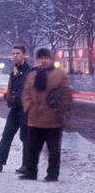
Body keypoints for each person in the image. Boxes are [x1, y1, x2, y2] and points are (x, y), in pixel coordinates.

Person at [20, 48, 73, 182]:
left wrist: (60, 109)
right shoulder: (32, 74)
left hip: (53, 119)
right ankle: (31, 173)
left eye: (46, 58)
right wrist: (28, 107)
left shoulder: (59, 74)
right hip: (34, 118)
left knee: (53, 150)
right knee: (32, 149)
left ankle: (52, 175)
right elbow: (26, 93)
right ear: (37, 60)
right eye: (40, 58)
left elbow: (67, 94)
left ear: (50, 59)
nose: (43, 61)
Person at [0, 44, 31, 174]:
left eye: (18, 53)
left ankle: (26, 165)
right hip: (14, 108)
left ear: (24, 55)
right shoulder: (14, 69)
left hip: (25, 109)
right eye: (13, 53)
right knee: (6, 135)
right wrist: (8, 96)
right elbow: (13, 87)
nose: (15, 56)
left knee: (25, 137)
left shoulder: (29, 71)